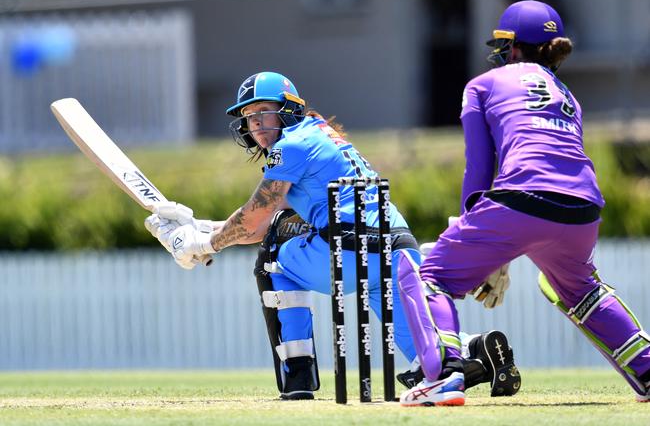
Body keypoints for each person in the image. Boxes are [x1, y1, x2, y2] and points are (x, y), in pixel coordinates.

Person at [144, 71, 520, 401]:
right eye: (248, 116)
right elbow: (258, 220)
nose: (255, 123)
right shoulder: (320, 135)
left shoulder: (290, 147)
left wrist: (201, 245)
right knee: (430, 361)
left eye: (263, 111)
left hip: (350, 249)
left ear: (287, 109)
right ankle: (479, 348)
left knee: (275, 256)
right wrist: (196, 228)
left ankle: (298, 377)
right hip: (396, 246)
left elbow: (257, 222)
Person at [397, 0, 650, 406]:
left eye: (503, 44)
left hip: (521, 201)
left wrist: (488, 250)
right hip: (583, 208)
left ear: (513, 47)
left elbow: (479, 169)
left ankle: (445, 375)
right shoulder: (567, 94)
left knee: (430, 277)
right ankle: (647, 367)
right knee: (578, 288)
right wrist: (497, 251)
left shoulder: (483, 84)